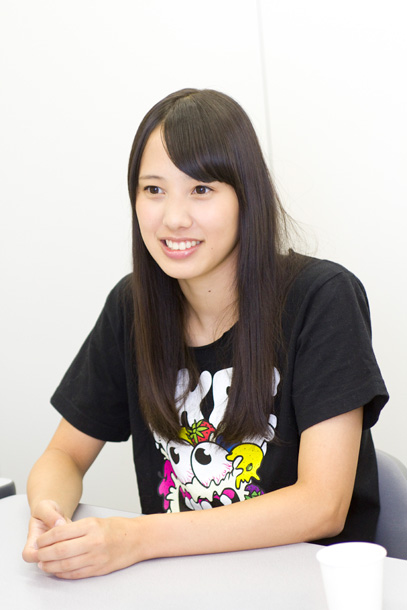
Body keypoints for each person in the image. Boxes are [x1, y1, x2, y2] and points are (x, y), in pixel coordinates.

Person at [22, 88, 388, 579]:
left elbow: (322, 505)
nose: (174, 218)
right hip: (184, 584)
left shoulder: (321, 298)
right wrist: (49, 516)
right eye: (154, 190)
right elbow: (64, 455)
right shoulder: (132, 307)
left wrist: (137, 538)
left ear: (246, 197)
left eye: (201, 189)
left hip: (307, 587)